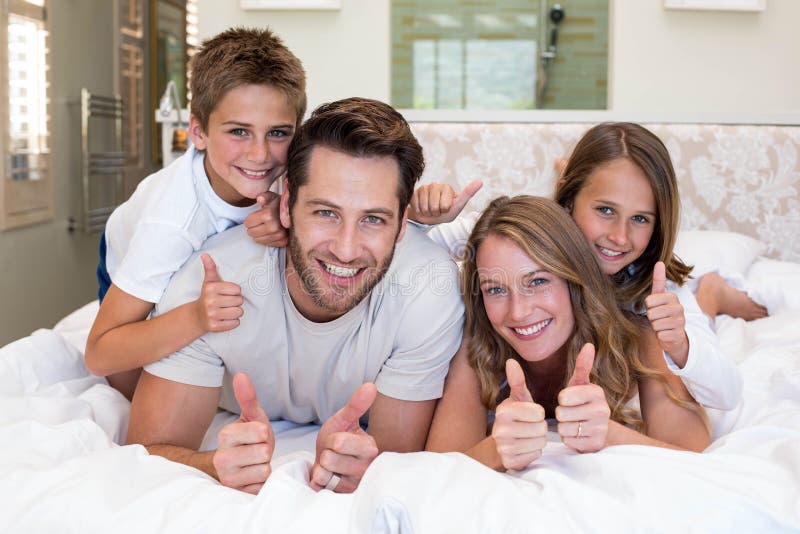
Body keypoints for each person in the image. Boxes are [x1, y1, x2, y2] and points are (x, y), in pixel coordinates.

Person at [125, 97, 465, 495]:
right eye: (326, 213)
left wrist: (363, 471)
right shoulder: (212, 282)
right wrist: (212, 465)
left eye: (373, 219)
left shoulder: (427, 288)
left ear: (403, 223)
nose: (346, 249)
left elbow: (392, 460)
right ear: (286, 205)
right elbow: (147, 453)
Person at [409, 122, 755, 412]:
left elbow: (728, 395)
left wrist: (681, 344)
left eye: (640, 218)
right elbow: (405, 257)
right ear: (569, 197)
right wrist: (419, 220)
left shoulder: (653, 289)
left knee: (694, 318)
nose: (619, 237)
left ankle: (711, 293)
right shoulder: (521, 238)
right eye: (605, 210)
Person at [85, 27, 305, 400]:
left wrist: (289, 223)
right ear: (198, 132)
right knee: (136, 393)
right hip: (127, 257)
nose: (260, 154)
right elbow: (99, 353)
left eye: (278, 133)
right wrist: (196, 317)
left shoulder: (295, 168)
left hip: (214, 271)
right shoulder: (170, 223)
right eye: (239, 132)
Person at [425, 196, 711, 470]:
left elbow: (698, 460)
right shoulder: (478, 342)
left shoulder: (641, 331)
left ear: (575, 280)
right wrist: (496, 451)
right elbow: (439, 470)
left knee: (705, 315)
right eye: (496, 289)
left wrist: (610, 435)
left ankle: (712, 292)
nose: (518, 312)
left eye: (537, 281)